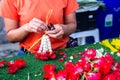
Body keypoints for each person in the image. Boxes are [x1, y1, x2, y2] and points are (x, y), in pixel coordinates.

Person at [0, 0, 79, 56]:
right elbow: (11, 37)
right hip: (29, 53)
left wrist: (63, 29)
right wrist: (26, 28)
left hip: (63, 50)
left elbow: (72, 25)